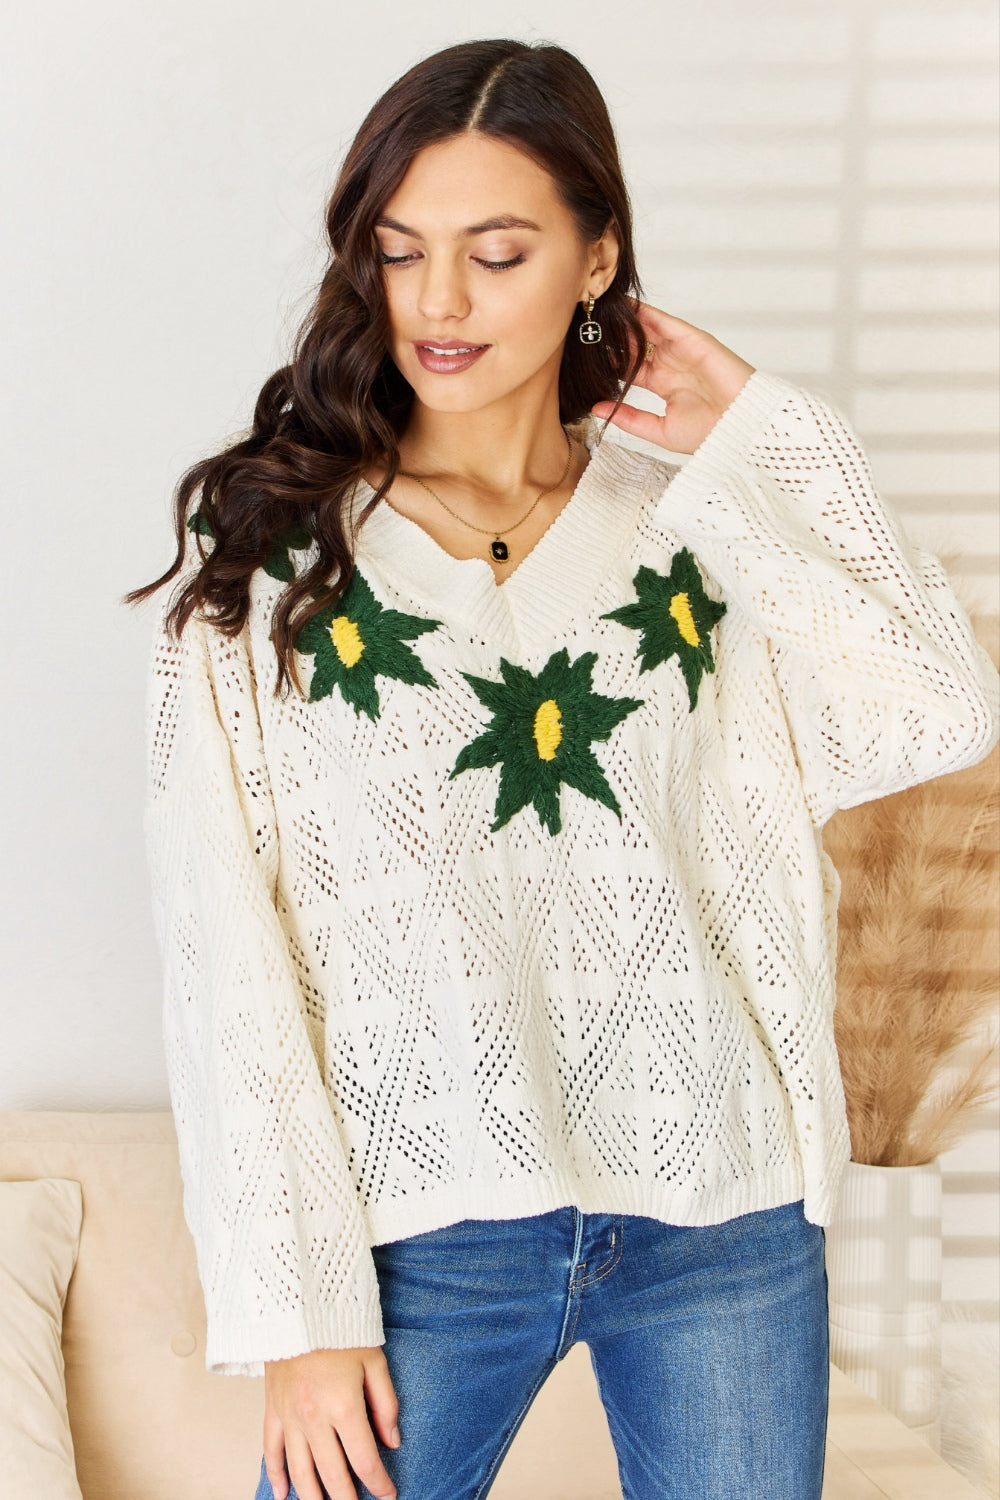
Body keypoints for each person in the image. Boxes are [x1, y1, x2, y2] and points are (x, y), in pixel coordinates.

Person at [131, 37, 999, 1500]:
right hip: (427, 1233)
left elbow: (934, 710)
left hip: (720, 1211)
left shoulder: (697, 529)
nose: (443, 303)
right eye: (402, 254)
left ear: (598, 256)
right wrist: (302, 1315)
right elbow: (227, 951)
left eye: (499, 250)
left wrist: (768, 443)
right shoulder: (281, 566)